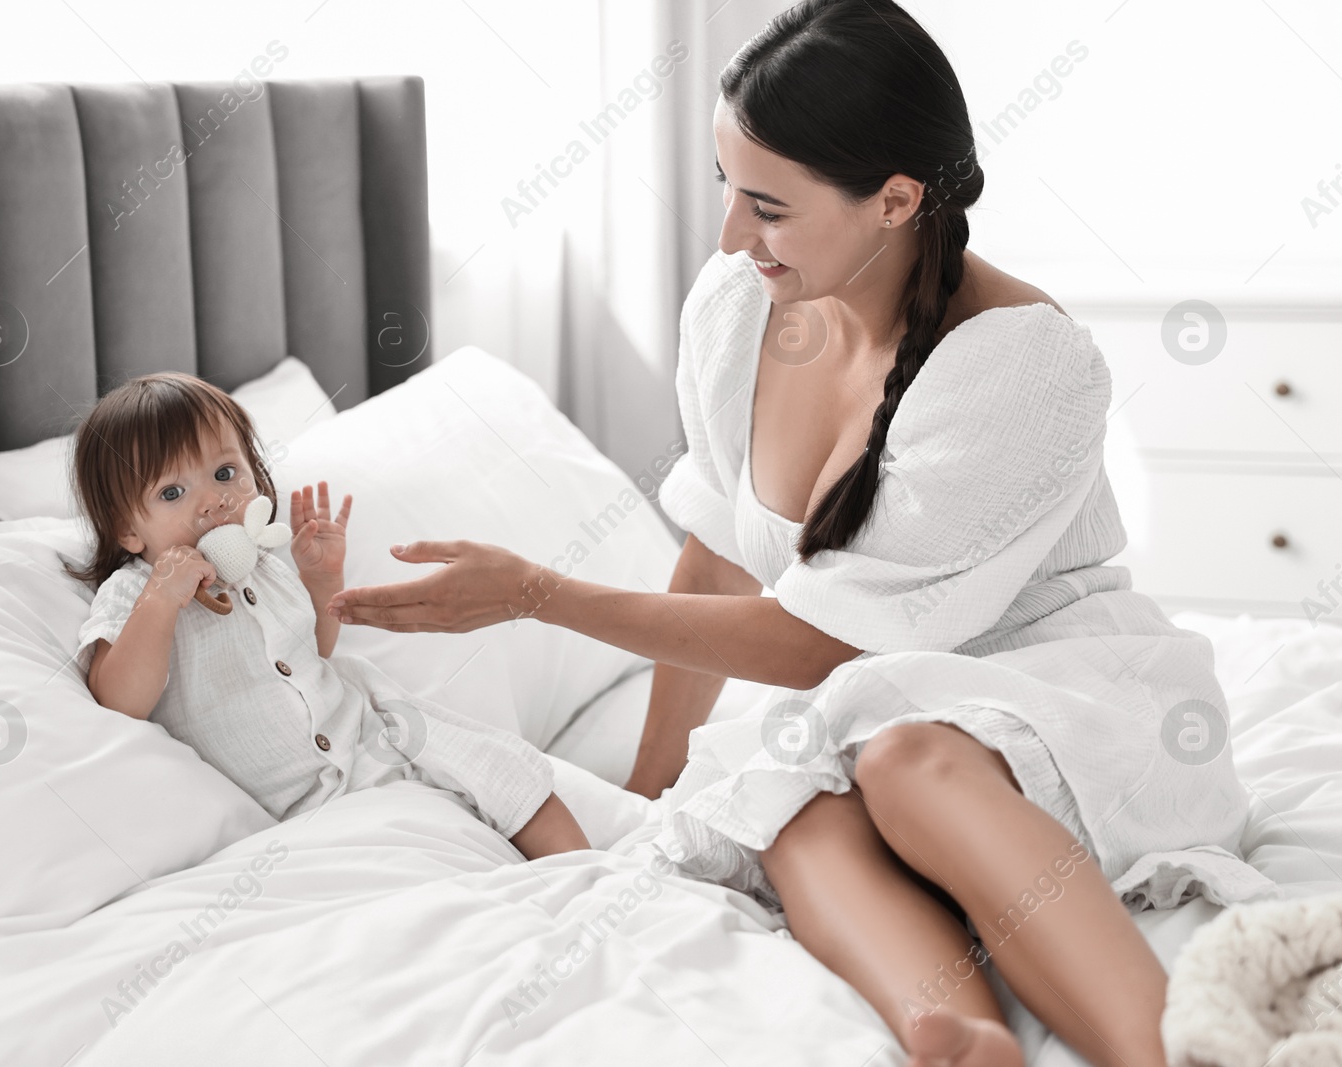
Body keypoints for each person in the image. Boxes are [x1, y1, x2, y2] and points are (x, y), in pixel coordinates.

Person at [325, 2, 1277, 1063]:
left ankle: (1166, 1053)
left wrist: (538, 592)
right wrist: (657, 778)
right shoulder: (735, 306)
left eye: (767, 205)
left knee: (907, 754)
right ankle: (954, 1032)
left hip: (1057, 687)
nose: (731, 234)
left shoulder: (1020, 364)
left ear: (896, 199)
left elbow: (833, 640)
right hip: (864, 705)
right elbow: (721, 552)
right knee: (785, 799)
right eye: (725, 185)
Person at [63, 371, 589, 861]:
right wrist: (161, 599)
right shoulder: (134, 591)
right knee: (415, 849)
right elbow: (118, 700)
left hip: (369, 740)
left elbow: (314, 650)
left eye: (226, 473)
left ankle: (585, 871)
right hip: (295, 805)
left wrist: (319, 581)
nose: (214, 501)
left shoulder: (265, 566)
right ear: (128, 532)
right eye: (173, 492)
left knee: (500, 769)